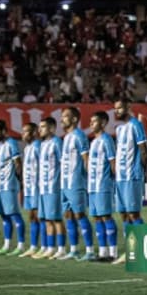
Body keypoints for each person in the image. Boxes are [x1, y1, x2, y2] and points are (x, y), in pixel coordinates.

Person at [60, 106, 94, 261]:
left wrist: (89, 180)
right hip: (65, 183)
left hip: (76, 182)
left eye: (66, 116)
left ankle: (90, 250)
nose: (62, 119)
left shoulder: (80, 136)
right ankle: (73, 250)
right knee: (68, 216)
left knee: (80, 215)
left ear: (74, 119)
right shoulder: (66, 137)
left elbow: (86, 159)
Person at [113, 99, 147, 240]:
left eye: (120, 108)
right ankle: (130, 249)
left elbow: (144, 150)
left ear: (128, 107)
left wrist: (141, 170)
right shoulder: (119, 129)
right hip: (120, 177)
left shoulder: (136, 125)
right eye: (115, 108)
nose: (117, 111)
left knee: (133, 214)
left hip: (132, 176)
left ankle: (143, 248)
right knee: (123, 214)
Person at [86, 111, 118, 262]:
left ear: (103, 123)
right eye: (91, 121)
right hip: (92, 186)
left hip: (103, 184)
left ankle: (113, 252)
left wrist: (115, 180)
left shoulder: (107, 140)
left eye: (94, 121)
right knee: (97, 218)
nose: (91, 124)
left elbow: (113, 162)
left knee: (106, 216)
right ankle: (103, 252)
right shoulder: (93, 142)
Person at [0, 120, 26, 255]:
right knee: (4, 216)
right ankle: (6, 245)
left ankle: (21, 245)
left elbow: (18, 163)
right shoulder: (0, 145)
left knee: (15, 215)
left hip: (9, 185)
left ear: (4, 131)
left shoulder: (11, 143)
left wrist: (19, 180)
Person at [35, 116, 66, 260]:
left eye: (43, 127)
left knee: (56, 219)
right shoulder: (42, 145)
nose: (39, 129)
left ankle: (61, 249)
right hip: (43, 188)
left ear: (52, 128)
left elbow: (63, 163)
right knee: (46, 219)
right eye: (39, 127)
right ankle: (49, 248)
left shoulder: (57, 142)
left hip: (54, 187)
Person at [19, 122, 42, 258]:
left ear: (34, 133)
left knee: (40, 217)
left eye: (26, 131)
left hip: (37, 187)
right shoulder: (27, 148)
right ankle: (33, 246)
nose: (23, 134)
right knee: (31, 217)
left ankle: (45, 246)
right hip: (29, 187)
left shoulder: (38, 146)